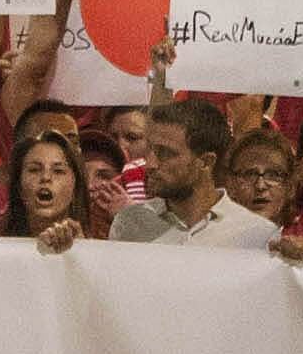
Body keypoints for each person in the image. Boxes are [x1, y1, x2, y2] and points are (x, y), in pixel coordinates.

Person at [111, 101, 280, 249]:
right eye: (150, 150)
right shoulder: (129, 223)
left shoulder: (258, 237)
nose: (150, 164)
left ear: (206, 162)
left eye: (165, 153)